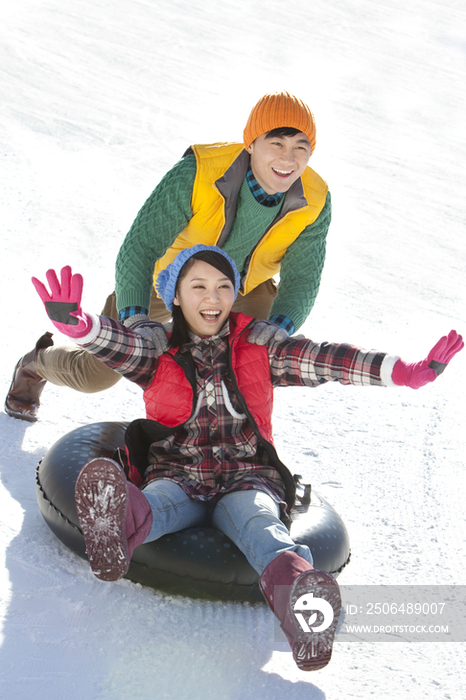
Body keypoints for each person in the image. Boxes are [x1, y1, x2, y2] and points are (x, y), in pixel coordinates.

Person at [30, 247, 463, 672]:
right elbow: (118, 346)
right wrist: (81, 325)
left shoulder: (259, 346)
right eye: (198, 286)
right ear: (176, 296)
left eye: (223, 286)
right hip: (180, 472)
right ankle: (115, 522)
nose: (213, 297)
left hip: (248, 477)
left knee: (260, 521)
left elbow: (326, 360)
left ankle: (301, 602)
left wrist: (403, 370)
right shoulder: (156, 350)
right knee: (159, 501)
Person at [5, 91, 332, 422]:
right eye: (277, 143)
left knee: (246, 366)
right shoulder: (199, 172)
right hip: (165, 279)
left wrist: (281, 324)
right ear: (251, 143)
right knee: (96, 375)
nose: (288, 159)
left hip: (243, 287)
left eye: (300, 148)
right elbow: (141, 246)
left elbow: (302, 277)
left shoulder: (315, 200)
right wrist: (136, 317)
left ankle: (223, 450)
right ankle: (36, 364)